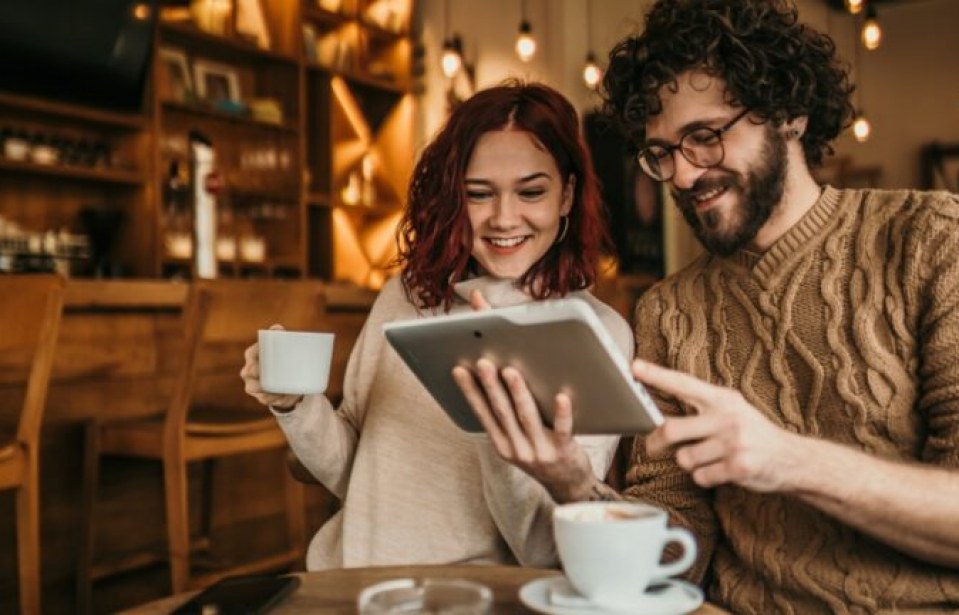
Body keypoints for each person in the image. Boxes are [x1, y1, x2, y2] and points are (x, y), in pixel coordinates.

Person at [453, 1, 959, 612]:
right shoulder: (670, 310)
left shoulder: (931, 241)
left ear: (790, 113)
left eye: (705, 137)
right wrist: (569, 480)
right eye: (662, 152)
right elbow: (674, 555)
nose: (685, 175)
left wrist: (787, 460)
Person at [240, 82, 632, 570]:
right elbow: (354, 475)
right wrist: (295, 403)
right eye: (478, 195)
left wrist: (494, 429)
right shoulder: (406, 297)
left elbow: (544, 551)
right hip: (348, 583)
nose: (504, 218)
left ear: (567, 196)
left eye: (532, 191)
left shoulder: (595, 333)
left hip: (471, 601)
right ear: (453, 197)